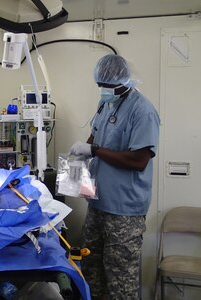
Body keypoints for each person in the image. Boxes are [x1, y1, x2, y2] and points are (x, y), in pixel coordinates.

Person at [70, 54, 160, 300]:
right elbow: (96, 135)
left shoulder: (143, 112)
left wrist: (94, 151)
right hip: (98, 204)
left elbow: (139, 160)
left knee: (120, 279)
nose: (104, 90)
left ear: (124, 81)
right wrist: (80, 156)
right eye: (101, 85)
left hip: (125, 211)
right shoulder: (106, 103)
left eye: (108, 86)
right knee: (91, 270)